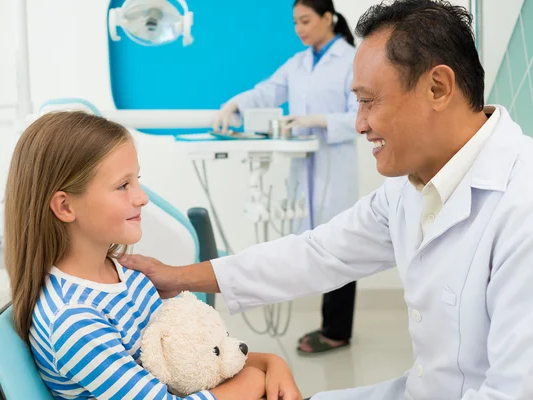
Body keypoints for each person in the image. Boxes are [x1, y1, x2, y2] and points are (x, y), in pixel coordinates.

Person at [120, 0, 533, 399]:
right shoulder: (409, 190)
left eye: (368, 101)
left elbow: (512, 391)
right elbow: (315, 254)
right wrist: (176, 275)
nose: (359, 123)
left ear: (438, 88)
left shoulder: (521, 204)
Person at [3, 111, 303, 400]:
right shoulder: (74, 320)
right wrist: (252, 380)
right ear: (66, 207)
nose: (142, 197)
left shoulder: (129, 277)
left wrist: (271, 363)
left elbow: (189, 362)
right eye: (123, 185)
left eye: (137, 181)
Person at [212, 0, 361, 355]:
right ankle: (330, 325)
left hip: (333, 165)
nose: (299, 28)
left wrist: (319, 121)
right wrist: (234, 104)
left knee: (341, 247)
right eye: (295, 22)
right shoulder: (298, 62)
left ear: (329, 18)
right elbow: (267, 91)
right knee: (317, 245)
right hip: (304, 167)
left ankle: (337, 330)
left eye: (306, 20)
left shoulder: (351, 60)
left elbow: (359, 113)